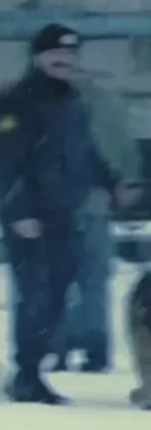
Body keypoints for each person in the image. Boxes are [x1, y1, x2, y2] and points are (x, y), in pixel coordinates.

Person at [0, 24, 139, 403]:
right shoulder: (16, 101)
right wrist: (20, 211)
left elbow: (85, 154)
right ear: (38, 56)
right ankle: (26, 374)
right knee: (35, 296)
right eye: (56, 53)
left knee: (56, 297)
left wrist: (113, 183)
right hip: (30, 218)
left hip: (64, 215)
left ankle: (35, 368)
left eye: (70, 54)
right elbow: (6, 161)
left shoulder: (71, 100)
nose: (64, 60)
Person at [51, 74, 142, 372]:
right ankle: (79, 348)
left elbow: (95, 163)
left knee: (84, 284)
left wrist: (116, 185)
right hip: (72, 211)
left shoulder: (78, 125)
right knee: (78, 284)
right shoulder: (53, 129)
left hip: (85, 210)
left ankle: (84, 348)